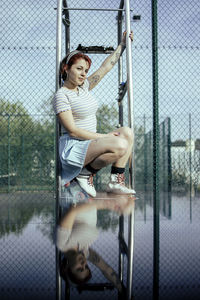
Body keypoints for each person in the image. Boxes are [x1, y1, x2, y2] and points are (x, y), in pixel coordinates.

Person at [53, 31, 135, 197]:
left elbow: (106, 67)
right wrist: (104, 137)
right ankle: (84, 174)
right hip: (73, 148)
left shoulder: (84, 87)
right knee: (120, 144)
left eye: (86, 70)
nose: (84, 73)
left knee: (127, 133)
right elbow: (73, 131)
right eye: (79, 69)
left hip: (89, 145)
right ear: (66, 69)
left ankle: (115, 181)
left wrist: (123, 45)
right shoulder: (61, 95)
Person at [56, 194, 135, 290]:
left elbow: (73, 210)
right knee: (128, 204)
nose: (84, 263)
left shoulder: (62, 243)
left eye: (79, 269)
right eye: (86, 267)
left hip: (76, 190)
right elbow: (105, 269)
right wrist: (122, 290)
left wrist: (106, 204)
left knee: (125, 205)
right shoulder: (84, 251)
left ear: (66, 268)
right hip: (92, 194)